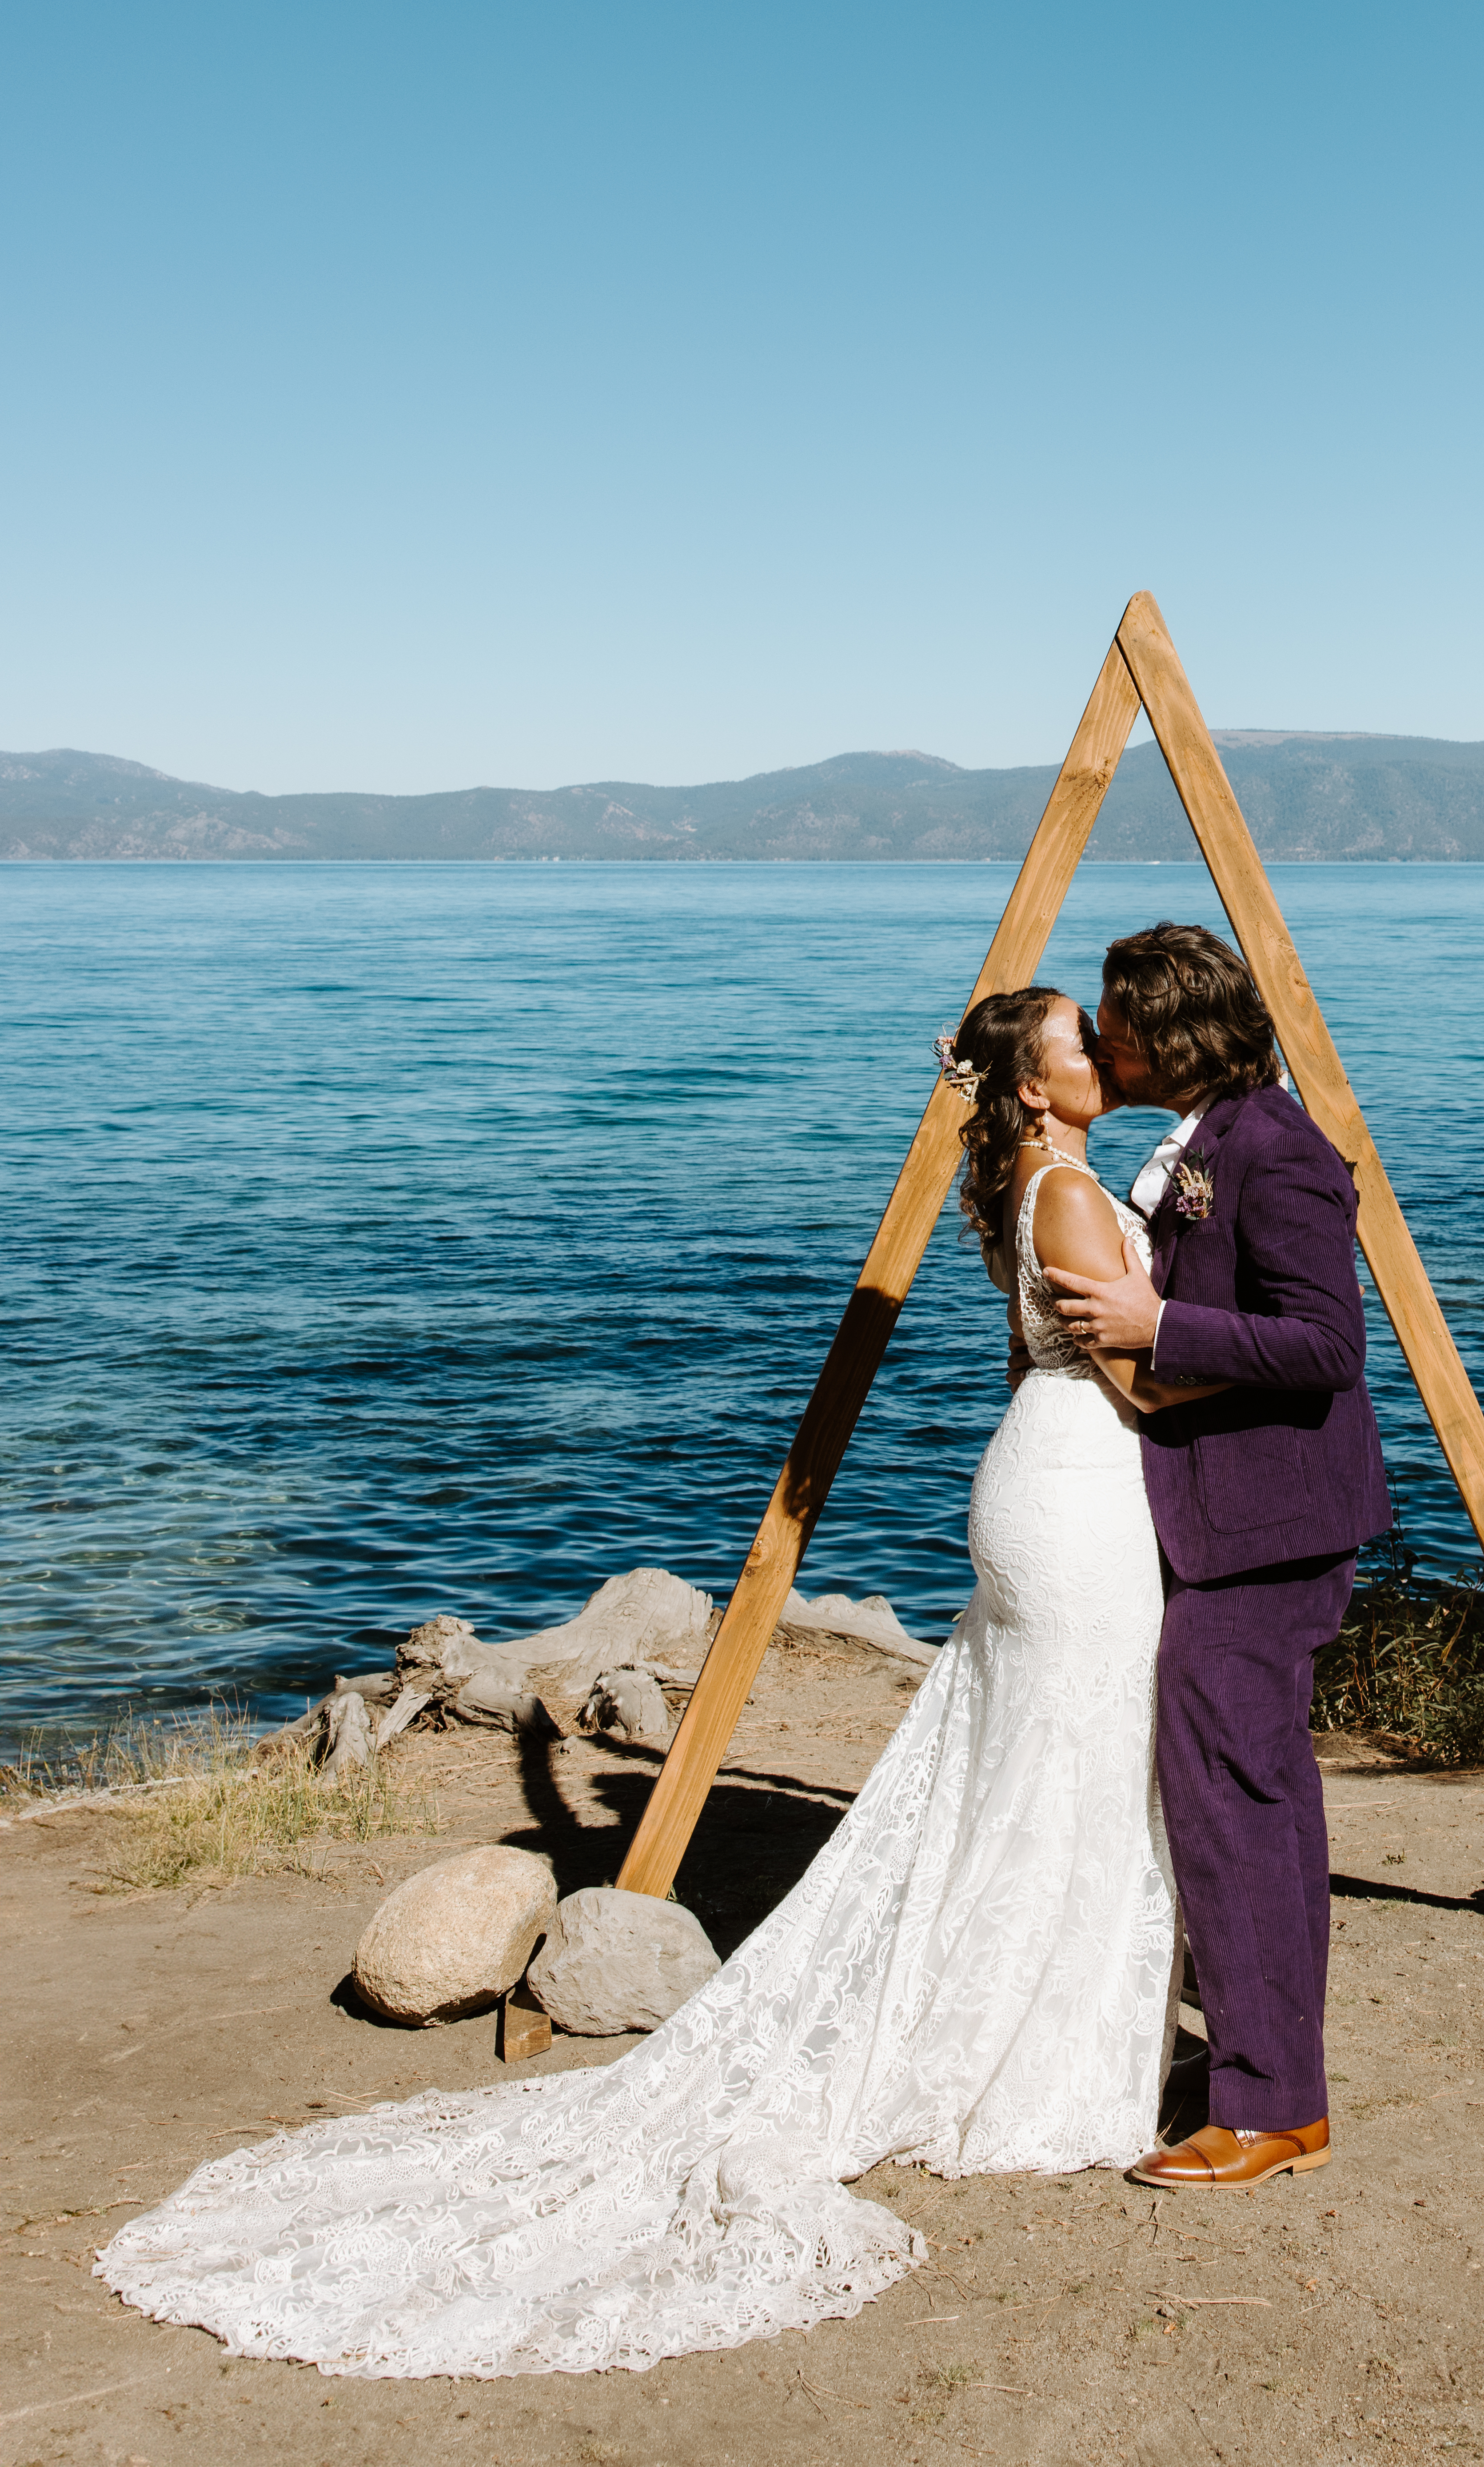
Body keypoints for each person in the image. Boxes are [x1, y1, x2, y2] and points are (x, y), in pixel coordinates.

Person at [100, 988, 1193, 2379]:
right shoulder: (1076, 1197)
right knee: (1078, 1763)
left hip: (1041, 1469)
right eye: (1079, 1045)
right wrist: (1283, 1378)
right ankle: (1036, 2056)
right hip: (1084, 1491)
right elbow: (1139, 1379)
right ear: (1033, 1089)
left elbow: (1048, 1355)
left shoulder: (1030, 1182)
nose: (1104, 1054)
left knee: (1036, 1766)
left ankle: (1021, 2019)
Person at [1050, 921, 1391, 2191]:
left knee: (1235, 1797)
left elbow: (1324, 1348)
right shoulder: (1212, 1140)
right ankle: (1266, 2068)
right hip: (1228, 1516)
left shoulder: (1278, 1148)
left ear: (1171, 1030)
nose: (1100, 1037)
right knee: (1248, 1793)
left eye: (1115, 1019)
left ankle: (1269, 2109)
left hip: (1272, 1526)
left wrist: (1159, 1322)